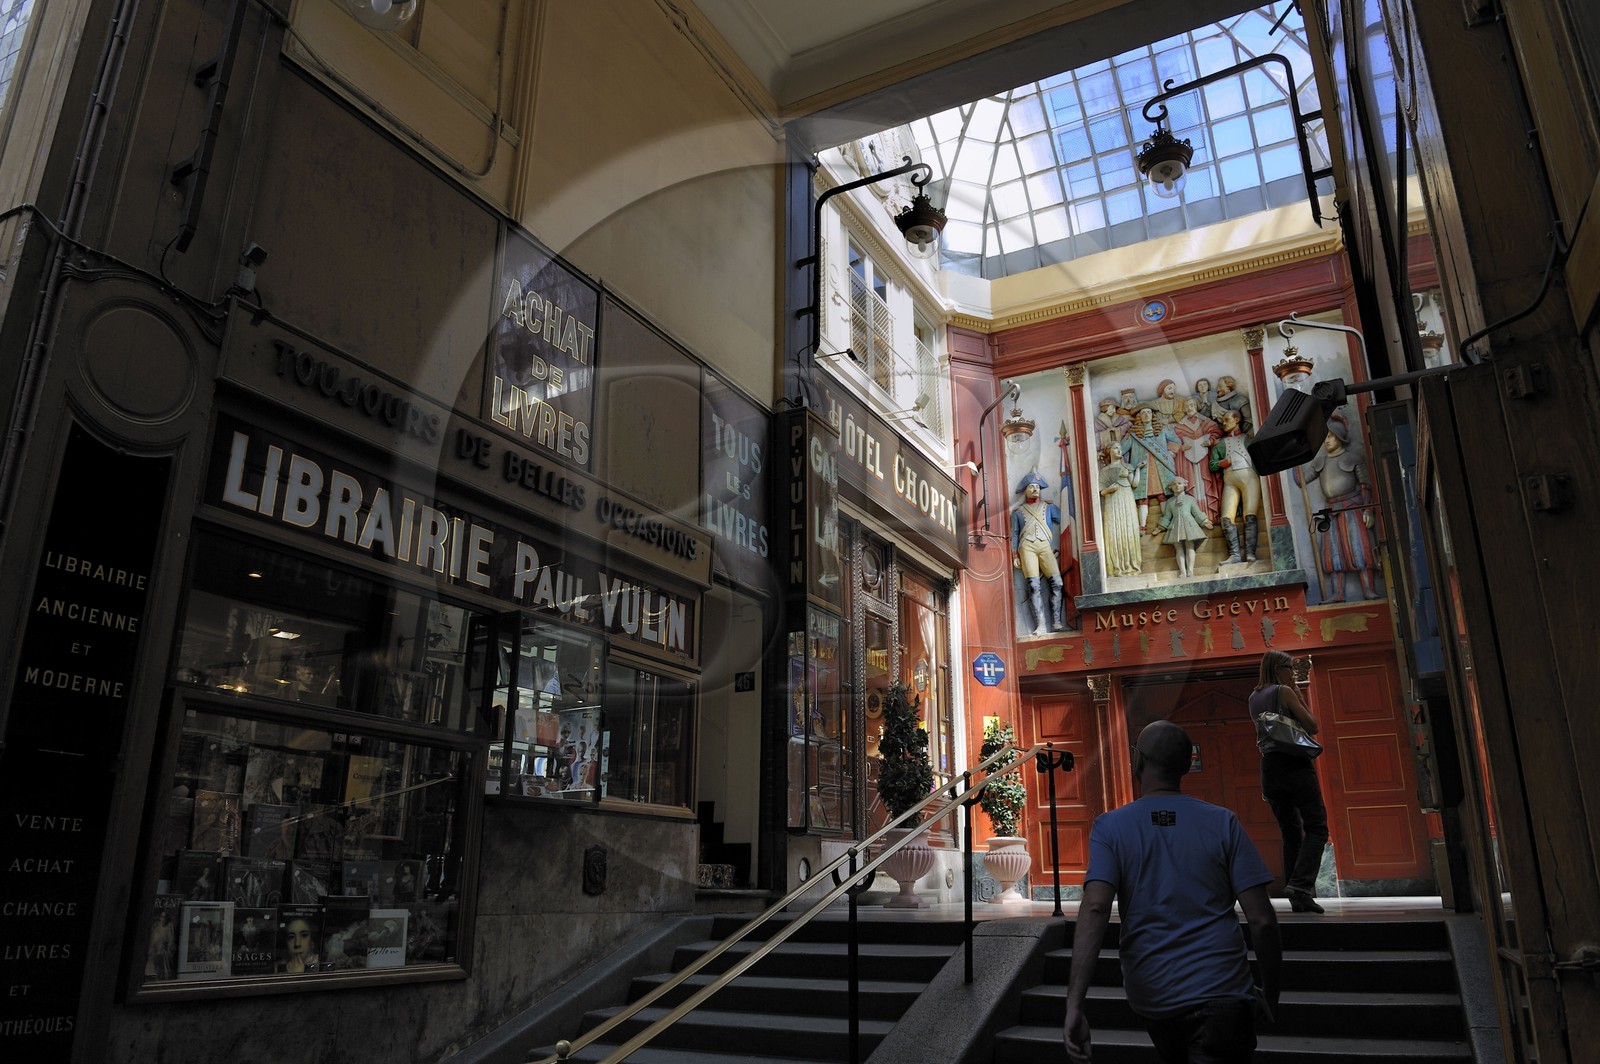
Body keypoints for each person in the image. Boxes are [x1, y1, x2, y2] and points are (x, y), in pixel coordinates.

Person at [1063, 720, 1281, 1064]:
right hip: (1223, 990)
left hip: (1153, 997)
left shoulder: (1111, 826)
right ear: (1184, 766)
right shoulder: (1222, 822)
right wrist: (1271, 992)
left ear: (1139, 761)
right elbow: (1262, 920)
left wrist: (1075, 1003)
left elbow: (1095, 909)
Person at [1250, 650, 1330, 913]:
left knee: (1290, 832)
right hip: (1294, 764)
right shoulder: (1284, 691)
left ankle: (1298, 897)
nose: (1292, 672)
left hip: (1269, 767)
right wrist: (1297, 692)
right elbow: (1312, 725)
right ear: (1278, 668)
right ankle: (1301, 885)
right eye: (1289, 667)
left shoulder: (1254, 697)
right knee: (1317, 827)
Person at [1010, 472, 1067, 635]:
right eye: (1031, 487)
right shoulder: (1018, 512)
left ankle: (1056, 621)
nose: (1035, 490)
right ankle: (1041, 624)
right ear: (1025, 491)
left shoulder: (1049, 507)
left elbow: (1062, 518)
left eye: (1037, 487)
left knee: (1057, 583)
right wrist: (1015, 555)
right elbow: (1014, 534)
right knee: (1034, 586)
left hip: (1044, 546)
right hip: (1026, 548)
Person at [1209, 409, 1263, 563]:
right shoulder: (1220, 444)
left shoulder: (1248, 440)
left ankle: (1250, 553)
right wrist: (1223, 463)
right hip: (1230, 481)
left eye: (1227, 420)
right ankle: (1234, 555)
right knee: (1226, 517)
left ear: (1237, 419)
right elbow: (1212, 465)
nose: (1224, 424)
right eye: (1223, 421)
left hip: (1250, 479)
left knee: (1250, 515)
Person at [1154, 476, 1213, 578]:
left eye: (1179, 483)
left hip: (1189, 524)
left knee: (1190, 546)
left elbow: (1196, 512)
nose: (1177, 486)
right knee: (1179, 548)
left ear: (1185, 485)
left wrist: (1204, 521)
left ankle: (1190, 571)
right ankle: (1183, 572)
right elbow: (1167, 516)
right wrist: (1160, 527)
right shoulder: (1170, 502)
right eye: (1174, 484)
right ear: (1170, 487)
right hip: (1175, 526)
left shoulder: (1190, 499)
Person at [1097, 447, 1143, 576]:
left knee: (1129, 528)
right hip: (1112, 500)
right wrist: (1108, 490)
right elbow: (1101, 491)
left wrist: (1138, 469)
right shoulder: (1104, 470)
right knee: (1115, 530)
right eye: (1115, 448)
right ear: (1109, 452)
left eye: (1119, 448)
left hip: (1127, 497)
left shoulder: (1127, 466)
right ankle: (1117, 566)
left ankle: (1132, 564)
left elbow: (1134, 484)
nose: (1119, 450)